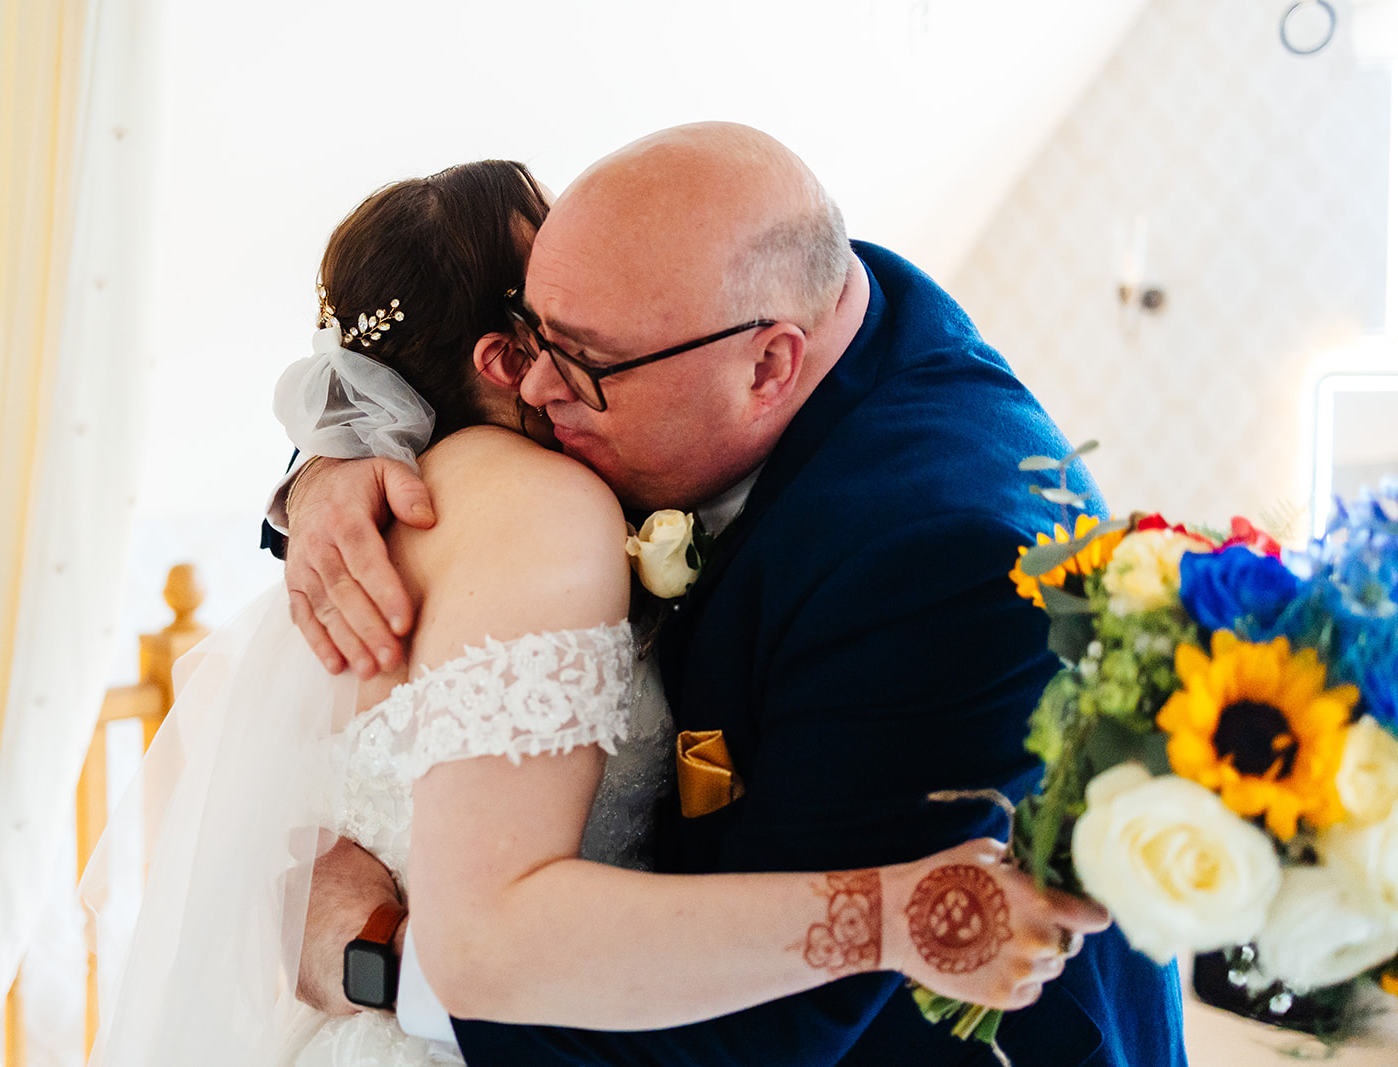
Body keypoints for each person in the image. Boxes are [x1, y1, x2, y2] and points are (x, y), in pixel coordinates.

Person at [90, 159, 1101, 1067]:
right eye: (526, 336)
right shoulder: (708, 293)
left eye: (571, 357)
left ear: (768, 362)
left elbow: (764, 1033)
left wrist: (376, 960)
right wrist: (327, 468)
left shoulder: (935, 559)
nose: (529, 376)